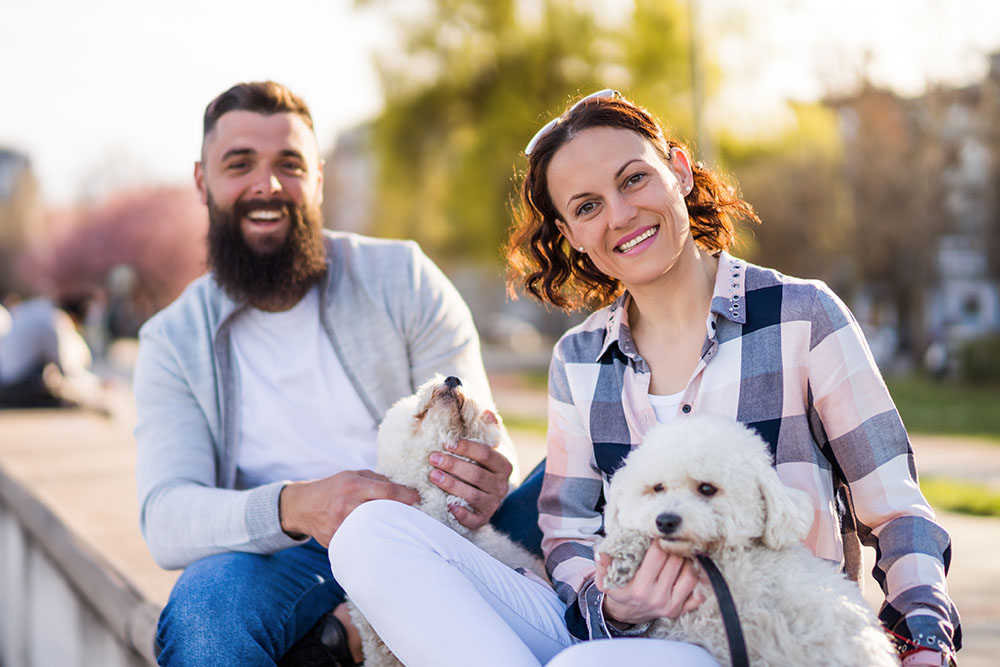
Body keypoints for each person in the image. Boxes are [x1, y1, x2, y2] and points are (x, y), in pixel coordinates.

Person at [503, 90, 961, 666]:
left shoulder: (802, 315)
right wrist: (614, 606)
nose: (620, 215)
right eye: (587, 206)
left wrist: (922, 640)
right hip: (643, 641)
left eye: (633, 179)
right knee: (383, 537)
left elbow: (895, 510)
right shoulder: (578, 359)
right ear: (571, 234)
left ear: (678, 171)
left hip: (785, 639)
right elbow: (567, 531)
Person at [133, 81, 527, 667]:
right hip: (280, 557)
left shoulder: (404, 278)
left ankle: (344, 634)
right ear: (202, 181)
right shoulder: (171, 338)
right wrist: (297, 507)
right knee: (203, 614)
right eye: (239, 164)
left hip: (432, 529)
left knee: (568, 485)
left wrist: (491, 472)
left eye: (288, 164)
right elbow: (166, 516)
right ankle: (347, 628)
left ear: (317, 177)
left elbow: (483, 430)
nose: (266, 184)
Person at [0, 294, 106, 412]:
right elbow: (68, 369)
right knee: (55, 380)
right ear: (74, 318)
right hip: (17, 387)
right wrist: (97, 384)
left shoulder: (38, 309)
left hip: (5, 383)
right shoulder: (55, 321)